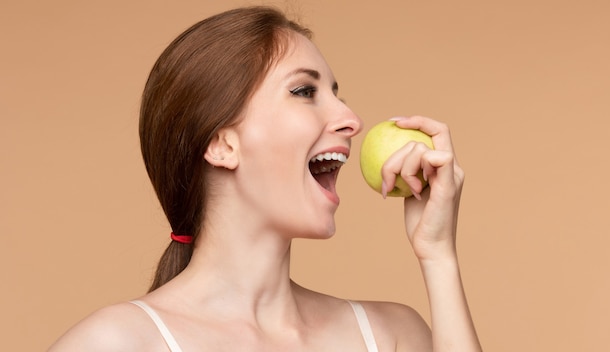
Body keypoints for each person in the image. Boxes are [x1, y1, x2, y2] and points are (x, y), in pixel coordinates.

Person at [49, 6, 481, 352]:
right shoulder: (117, 343)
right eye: (304, 92)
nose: (351, 120)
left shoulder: (392, 336)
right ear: (222, 144)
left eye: (337, 95)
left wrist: (437, 255)